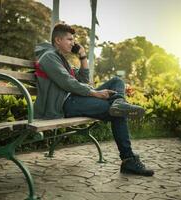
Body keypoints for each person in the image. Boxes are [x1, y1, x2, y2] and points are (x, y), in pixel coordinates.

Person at [34, 22, 154, 176]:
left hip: (75, 98)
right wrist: (95, 93)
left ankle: (119, 103)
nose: (73, 43)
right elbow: (68, 82)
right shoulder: (49, 57)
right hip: (65, 104)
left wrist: (83, 55)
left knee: (117, 81)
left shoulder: (62, 59)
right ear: (58, 40)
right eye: (70, 39)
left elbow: (83, 81)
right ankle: (128, 159)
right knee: (116, 112)